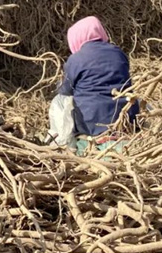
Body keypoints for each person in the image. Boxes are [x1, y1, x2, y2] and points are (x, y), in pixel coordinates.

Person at [57, 16, 139, 154]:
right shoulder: (118, 53)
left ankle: (67, 144)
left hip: (91, 124)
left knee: (60, 101)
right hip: (126, 120)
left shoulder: (76, 59)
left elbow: (65, 90)